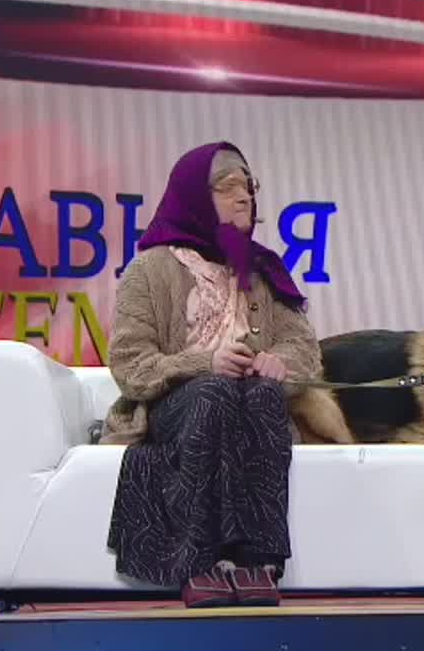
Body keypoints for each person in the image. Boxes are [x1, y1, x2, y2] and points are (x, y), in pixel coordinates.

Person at [100, 141, 321, 608]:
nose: (244, 198)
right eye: (227, 187)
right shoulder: (149, 269)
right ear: (195, 197)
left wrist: (279, 361)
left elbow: (303, 347)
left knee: (263, 395)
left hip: (248, 406)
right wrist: (203, 362)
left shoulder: (264, 271)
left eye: (248, 187)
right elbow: (129, 362)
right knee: (214, 392)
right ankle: (198, 560)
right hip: (174, 409)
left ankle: (258, 561)